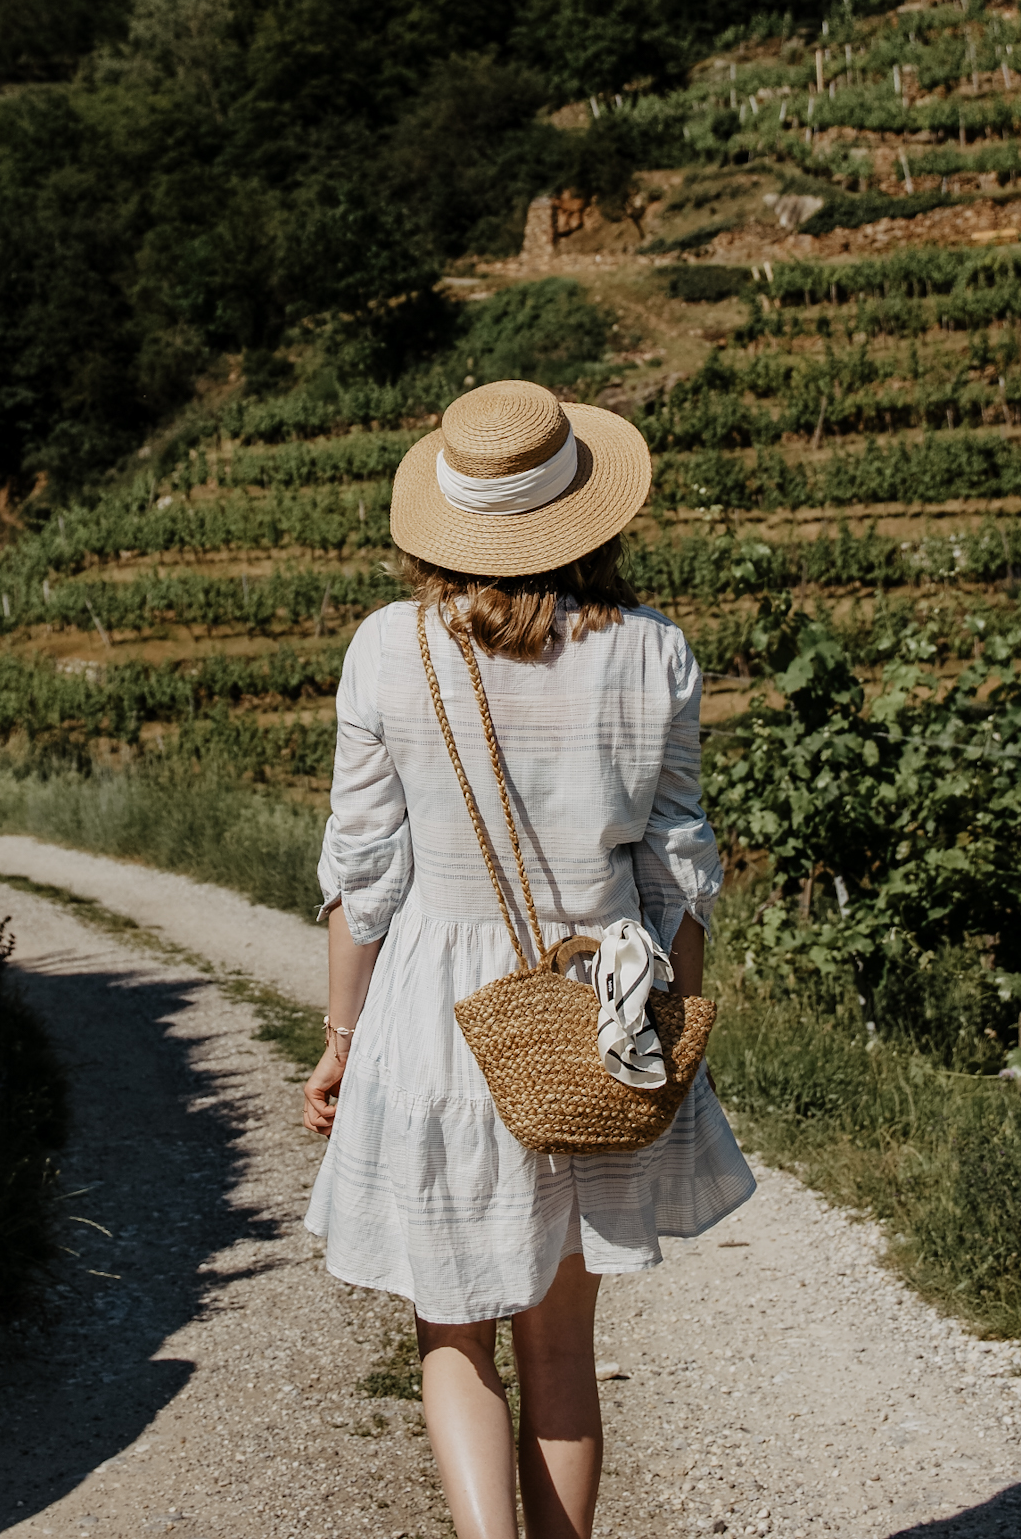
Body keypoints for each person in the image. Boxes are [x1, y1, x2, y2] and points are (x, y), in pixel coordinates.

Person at [302, 379, 753, 1539]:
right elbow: (679, 869)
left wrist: (340, 1039)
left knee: (450, 1328)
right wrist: (677, 1027)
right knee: (565, 1346)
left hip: (436, 1010)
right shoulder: (654, 652)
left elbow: (366, 873)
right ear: (585, 512)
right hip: (598, 1003)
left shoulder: (386, 647)